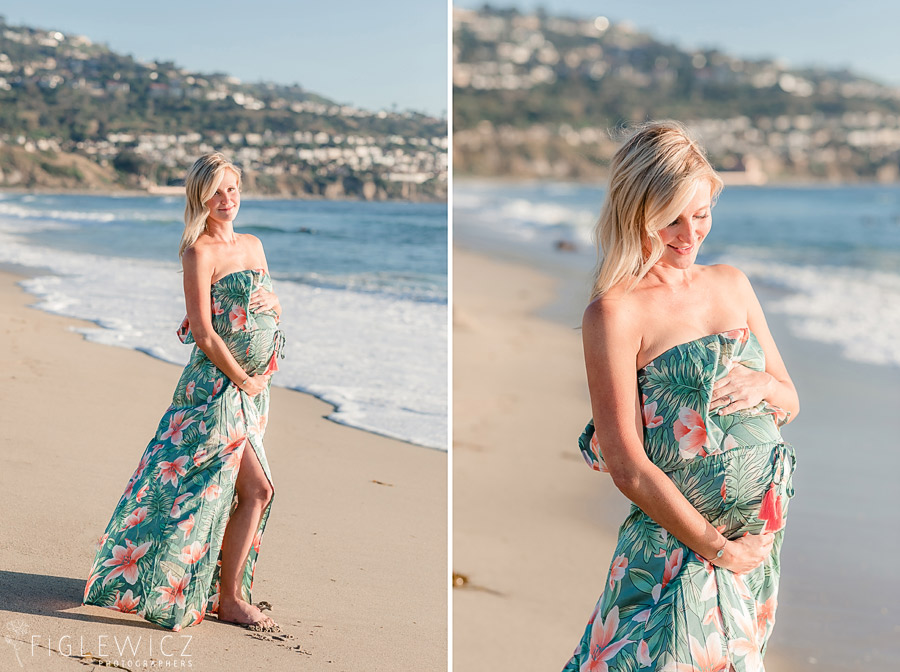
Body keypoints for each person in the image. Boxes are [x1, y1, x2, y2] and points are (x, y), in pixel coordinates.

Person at [562, 122, 799, 671]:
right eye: (671, 218)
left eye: (701, 214)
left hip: (756, 549)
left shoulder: (731, 284)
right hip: (677, 546)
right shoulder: (614, 313)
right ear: (635, 210)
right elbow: (627, 466)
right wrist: (718, 547)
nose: (689, 235)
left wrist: (765, 385)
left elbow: (789, 400)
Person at [83, 153, 285, 632]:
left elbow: (265, 303)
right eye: (216, 191)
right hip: (216, 389)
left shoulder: (254, 245)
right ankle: (229, 599)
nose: (227, 199)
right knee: (248, 488)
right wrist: (242, 379)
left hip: (254, 390)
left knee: (226, 491)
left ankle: (222, 591)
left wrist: (277, 303)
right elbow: (202, 332)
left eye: (233, 189)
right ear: (199, 196)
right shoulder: (199, 252)